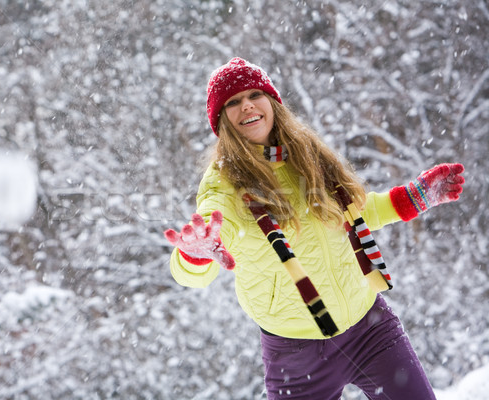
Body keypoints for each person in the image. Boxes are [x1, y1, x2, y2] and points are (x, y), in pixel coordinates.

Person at [163, 57, 465, 400]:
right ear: (221, 121)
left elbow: (353, 213)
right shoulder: (223, 188)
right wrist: (196, 253)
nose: (246, 105)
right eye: (232, 102)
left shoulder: (307, 155)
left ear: (271, 102)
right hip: (297, 353)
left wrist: (413, 198)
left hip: (369, 326)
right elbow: (202, 253)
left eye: (254, 95)